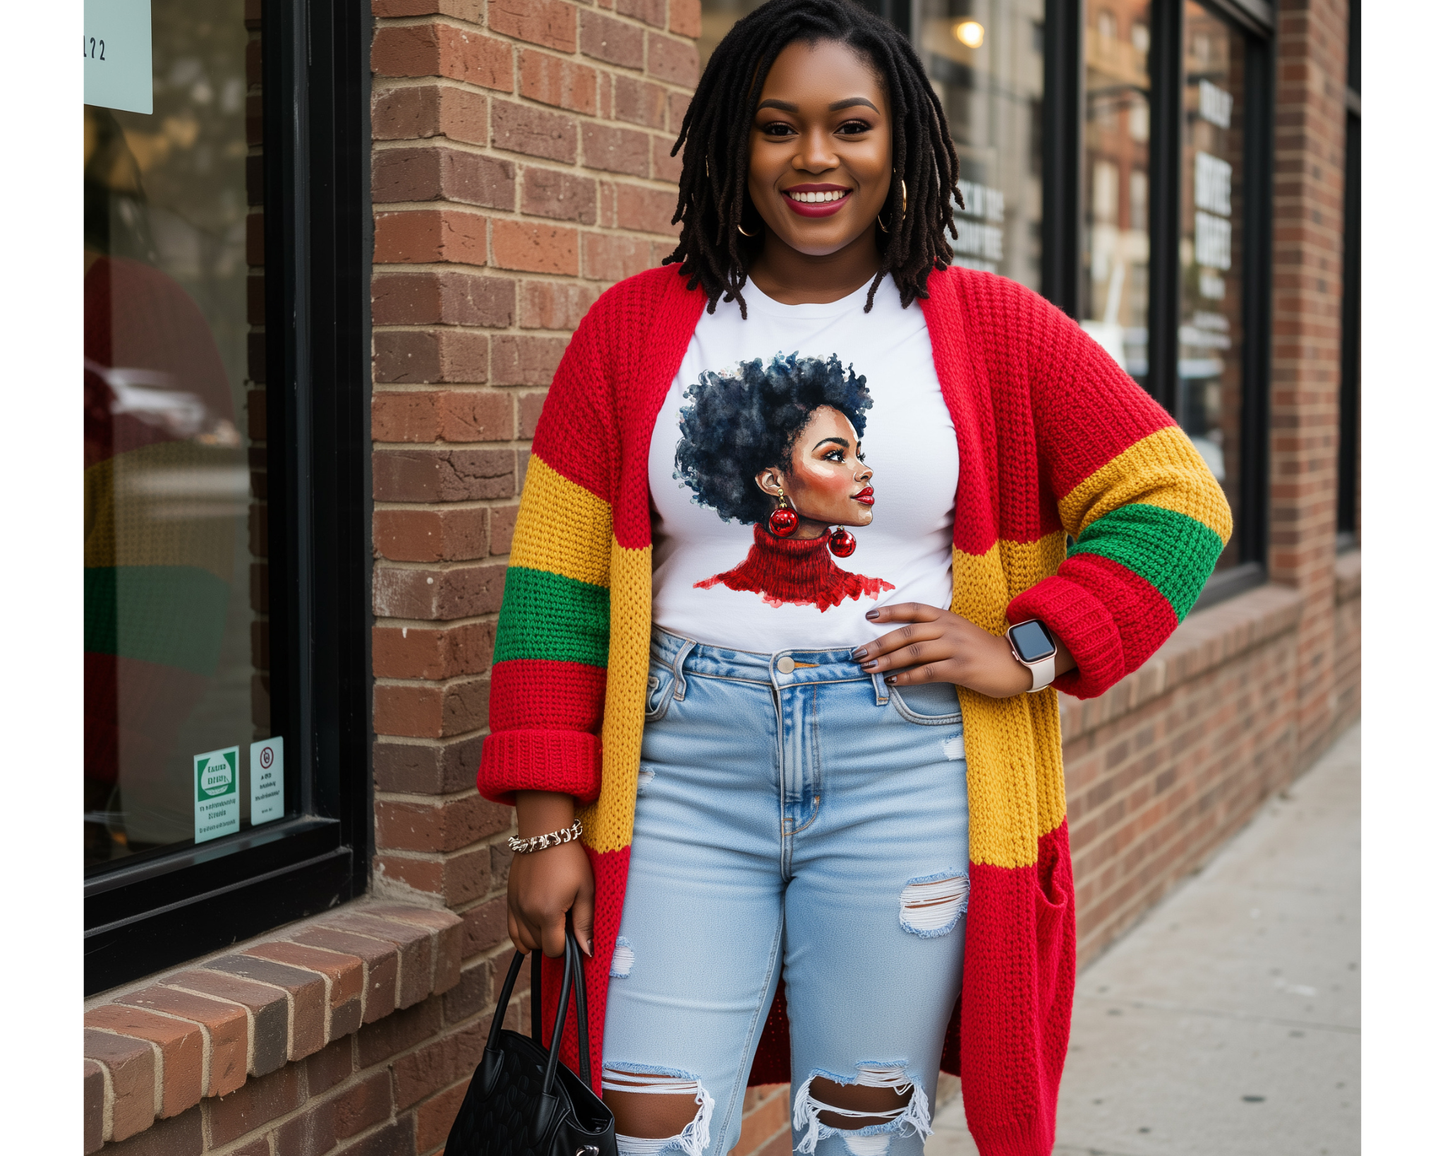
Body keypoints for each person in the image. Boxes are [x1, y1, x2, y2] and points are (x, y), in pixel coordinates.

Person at [477, 2, 1231, 1156]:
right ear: (732, 142)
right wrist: (542, 831)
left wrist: (1030, 649)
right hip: (680, 777)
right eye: (777, 128)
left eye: (849, 126)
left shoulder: (990, 328)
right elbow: (555, 593)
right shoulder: (632, 331)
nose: (814, 159)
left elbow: (1177, 498)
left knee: (862, 1129)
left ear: (902, 144)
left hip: (907, 775)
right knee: (643, 1127)